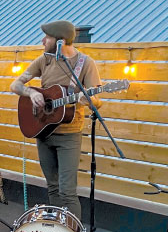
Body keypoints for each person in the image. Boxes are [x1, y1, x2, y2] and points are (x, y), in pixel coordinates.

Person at [10, 20, 102, 220]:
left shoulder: (85, 64)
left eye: (47, 37)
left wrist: (88, 99)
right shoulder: (45, 60)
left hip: (69, 135)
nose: (43, 41)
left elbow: (97, 102)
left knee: (67, 191)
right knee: (52, 187)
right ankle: (58, 230)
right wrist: (30, 93)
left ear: (60, 41)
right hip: (43, 130)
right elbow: (15, 84)